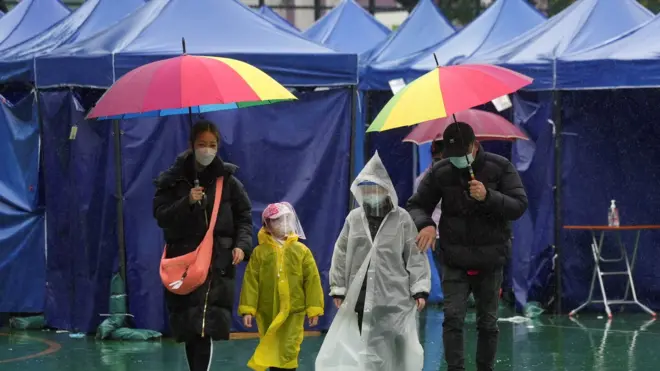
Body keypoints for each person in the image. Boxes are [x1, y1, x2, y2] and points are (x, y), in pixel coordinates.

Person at [407, 122, 528, 371]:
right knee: (452, 319)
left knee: (488, 323)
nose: (457, 161)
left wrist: (488, 196)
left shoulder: (501, 167)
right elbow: (416, 205)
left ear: (473, 145)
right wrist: (426, 224)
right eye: (452, 156)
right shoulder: (441, 171)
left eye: (461, 154)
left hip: (490, 258)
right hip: (454, 258)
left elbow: (519, 206)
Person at [316, 152, 431, 371]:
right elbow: (340, 254)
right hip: (360, 296)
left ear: (386, 189)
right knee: (365, 347)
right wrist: (339, 288)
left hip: (394, 298)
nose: (370, 193)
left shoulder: (402, 219)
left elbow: (415, 255)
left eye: (374, 188)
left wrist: (420, 289)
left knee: (395, 349)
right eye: (366, 189)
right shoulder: (354, 219)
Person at [153, 120, 253, 371]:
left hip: (216, 264)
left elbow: (244, 216)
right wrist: (186, 202)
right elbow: (161, 215)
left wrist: (242, 244)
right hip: (185, 260)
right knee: (190, 327)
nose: (207, 150)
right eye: (202, 144)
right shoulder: (172, 180)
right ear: (191, 145)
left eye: (212, 145)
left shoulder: (228, 181)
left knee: (204, 326)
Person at [238, 202, 324, 371]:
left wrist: (314, 308)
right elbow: (251, 281)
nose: (283, 224)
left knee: (289, 349)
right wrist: (248, 309)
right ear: (267, 226)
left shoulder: (301, 251)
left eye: (287, 219)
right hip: (268, 310)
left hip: (294, 311)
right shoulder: (259, 253)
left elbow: (312, 280)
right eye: (277, 220)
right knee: (271, 346)